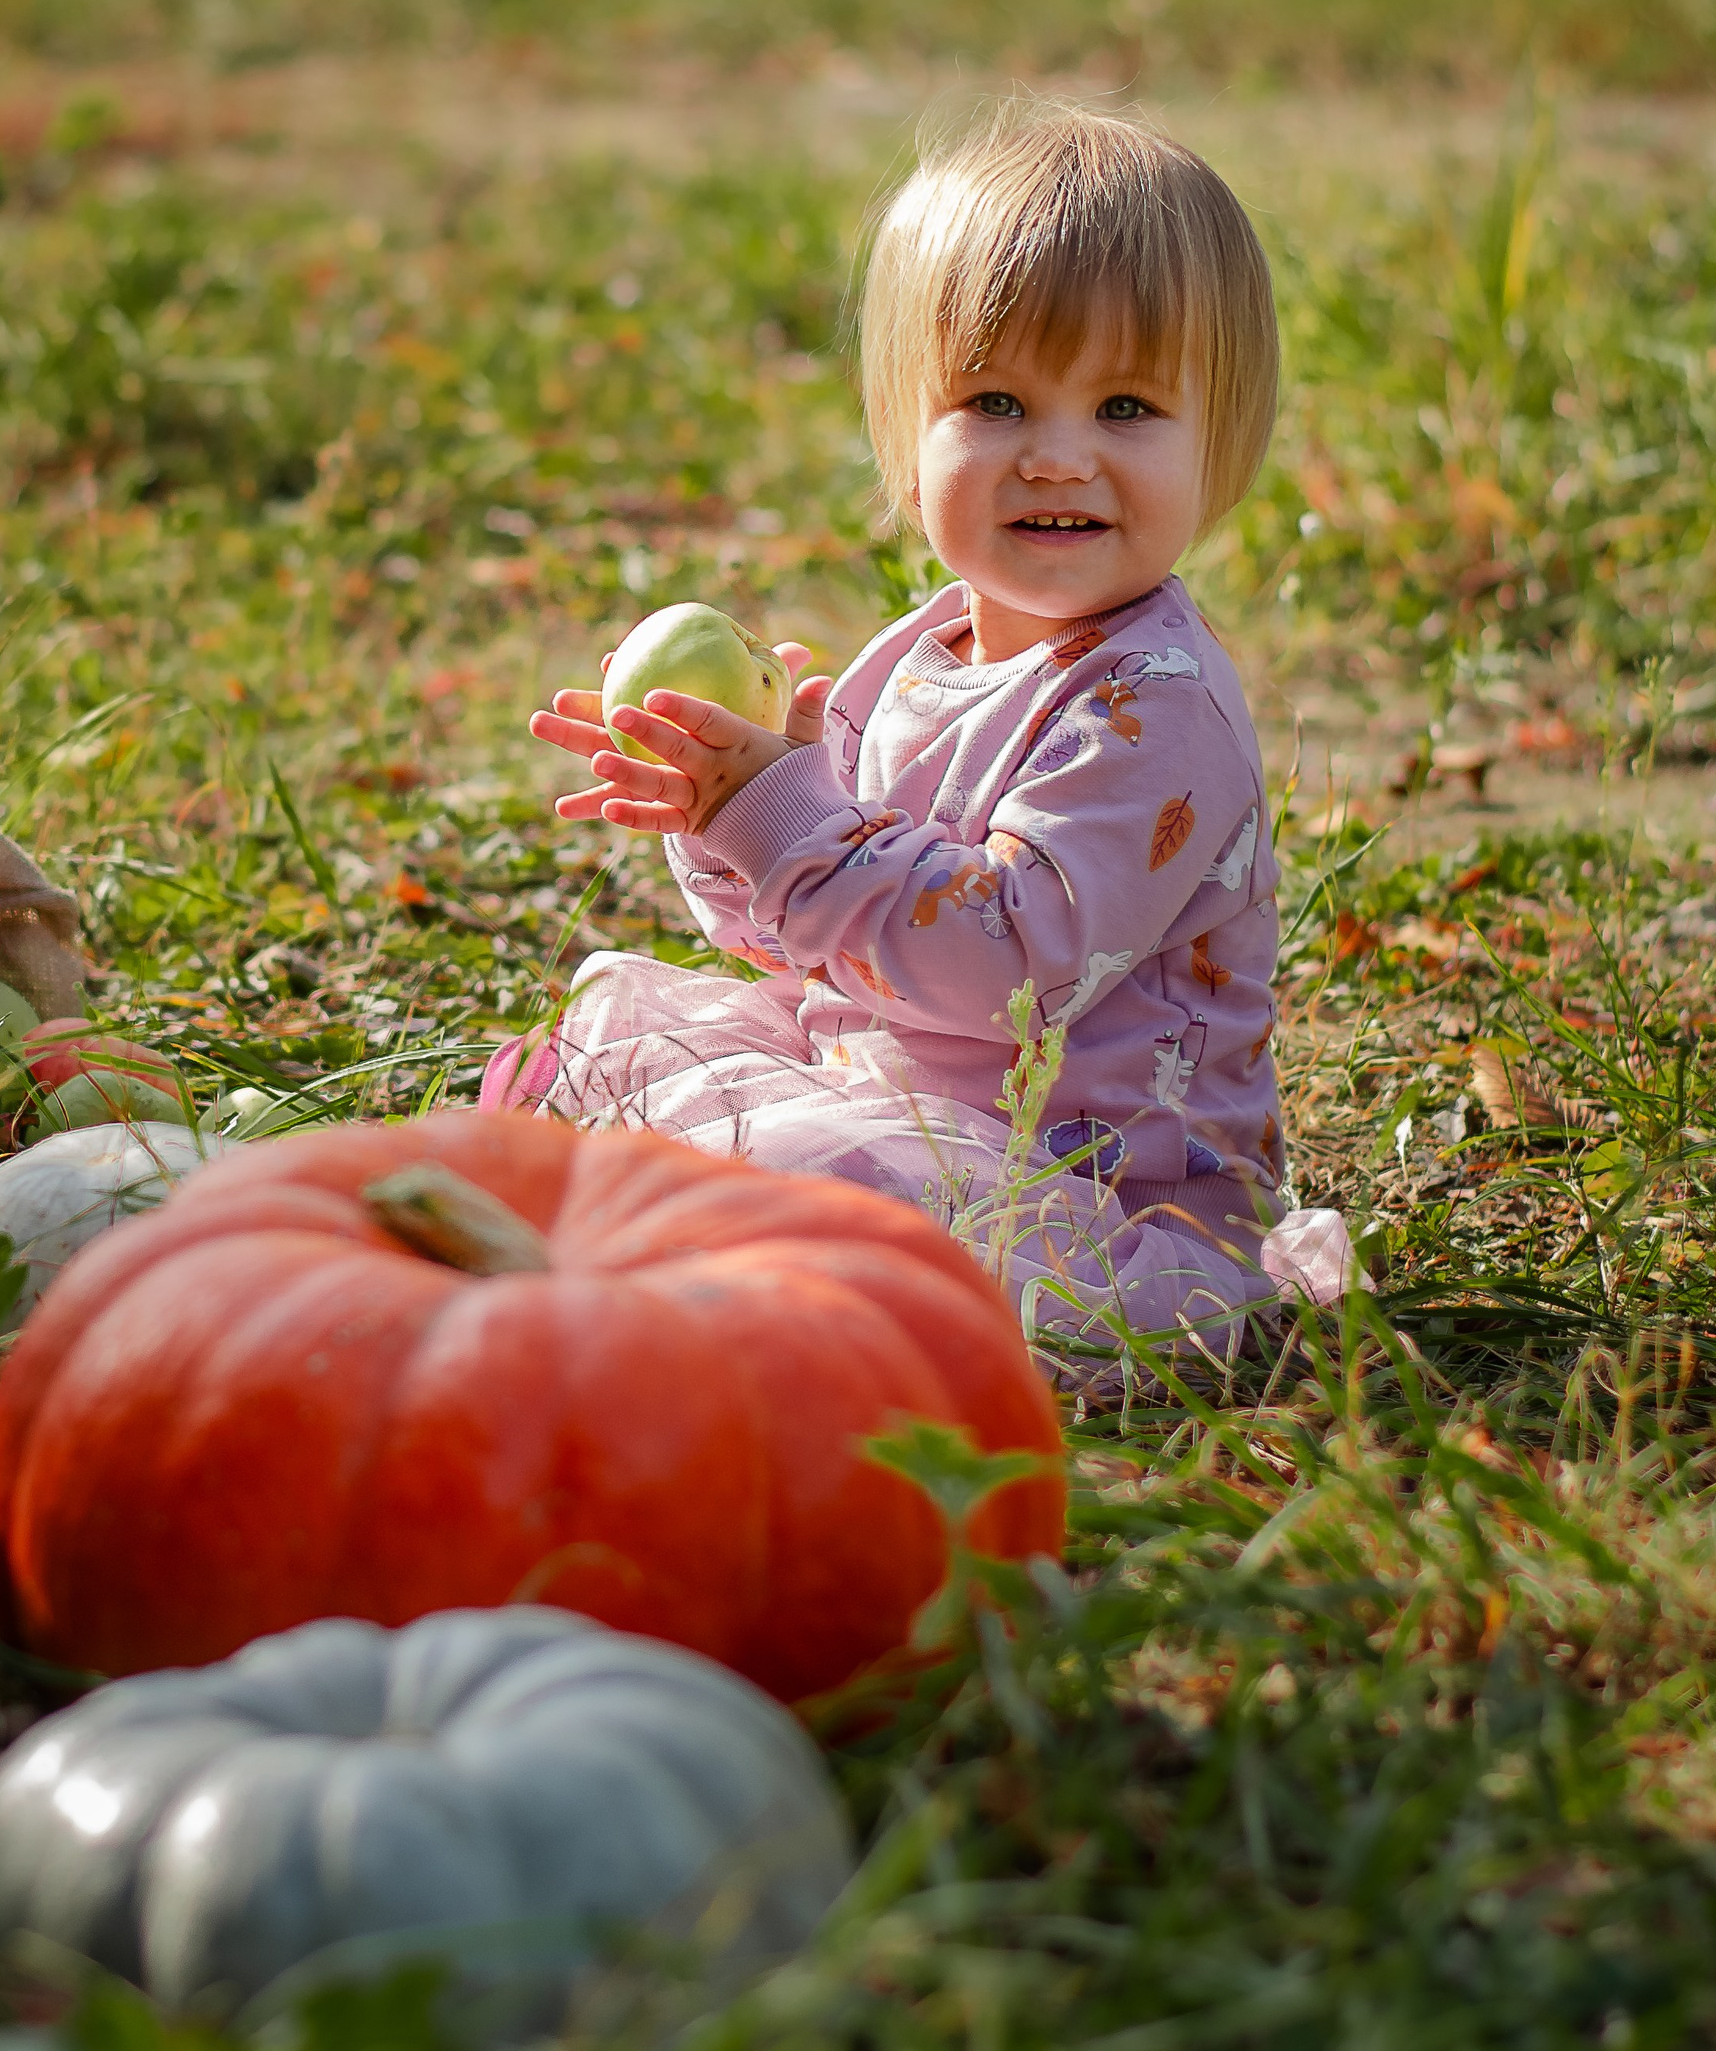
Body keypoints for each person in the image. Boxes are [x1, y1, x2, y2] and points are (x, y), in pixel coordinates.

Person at [500, 100, 1351, 1378]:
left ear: (1217, 443)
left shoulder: (1152, 709)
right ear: (907, 446)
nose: (1056, 458)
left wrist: (788, 823)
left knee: (785, 1189)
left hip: (1093, 1200)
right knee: (621, 1046)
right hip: (896, 1108)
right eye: (996, 401)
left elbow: (1004, 966)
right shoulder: (919, 657)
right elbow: (820, 941)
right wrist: (722, 811)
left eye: (1125, 406)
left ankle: (674, 1312)